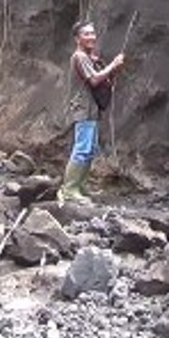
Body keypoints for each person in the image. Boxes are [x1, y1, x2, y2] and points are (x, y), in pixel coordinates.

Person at [58, 21, 125, 204]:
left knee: (89, 149)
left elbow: (101, 79)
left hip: (91, 109)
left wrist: (112, 70)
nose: (91, 37)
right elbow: (94, 81)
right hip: (83, 109)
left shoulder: (88, 57)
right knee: (82, 149)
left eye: (92, 33)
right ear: (77, 38)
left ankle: (79, 186)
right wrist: (113, 65)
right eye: (86, 34)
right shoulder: (79, 57)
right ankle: (69, 189)